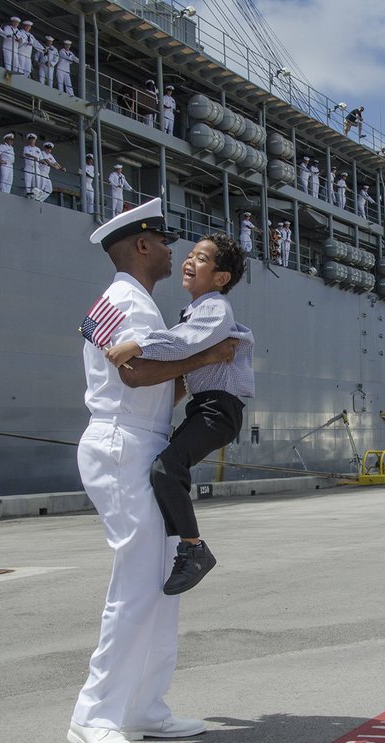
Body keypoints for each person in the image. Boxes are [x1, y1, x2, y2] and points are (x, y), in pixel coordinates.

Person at [69, 197, 238, 743]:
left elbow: (162, 383)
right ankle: (94, 715)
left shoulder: (135, 303)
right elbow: (137, 372)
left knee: (165, 581)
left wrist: (205, 368)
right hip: (123, 445)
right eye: (165, 242)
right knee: (138, 583)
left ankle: (145, 706)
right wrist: (206, 353)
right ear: (142, 246)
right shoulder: (127, 302)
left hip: (148, 442)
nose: (173, 252)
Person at [103, 232, 253, 596]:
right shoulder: (196, 312)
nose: (188, 261)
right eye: (190, 255)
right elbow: (186, 362)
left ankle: (192, 547)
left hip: (219, 409)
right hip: (208, 406)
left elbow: (183, 343)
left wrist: (138, 343)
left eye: (201, 258)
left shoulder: (214, 309)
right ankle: (183, 543)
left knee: (166, 468)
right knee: (165, 470)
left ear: (220, 279)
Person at [21, 132, 42, 198]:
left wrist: (45, 162)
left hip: (36, 167)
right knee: (28, 180)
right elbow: (26, 154)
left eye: (33, 139)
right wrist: (33, 157)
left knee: (37, 181)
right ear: (29, 140)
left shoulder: (38, 149)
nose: (32, 141)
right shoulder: (26, 148)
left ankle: (35, 196)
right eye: (30, 139)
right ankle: (28, 193)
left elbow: (41, 158)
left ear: (35, 140)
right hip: (29, 166)